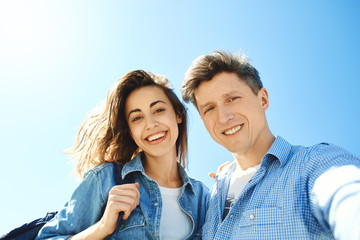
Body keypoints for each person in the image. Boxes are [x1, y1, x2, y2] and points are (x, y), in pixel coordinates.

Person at [181, 50, 360, 239]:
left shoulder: (312, 164)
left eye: (232, 99)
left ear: (263, 99)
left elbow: (347, 195)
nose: (224, 117)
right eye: (210, 108)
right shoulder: (213, 197)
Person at [36, 70, 209, 240]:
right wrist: (103, 227)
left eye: (158, 110)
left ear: (178, 114)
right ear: (131, 132)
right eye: (137, 118)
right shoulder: (106, 179)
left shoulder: (202, 196)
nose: (151, 124)